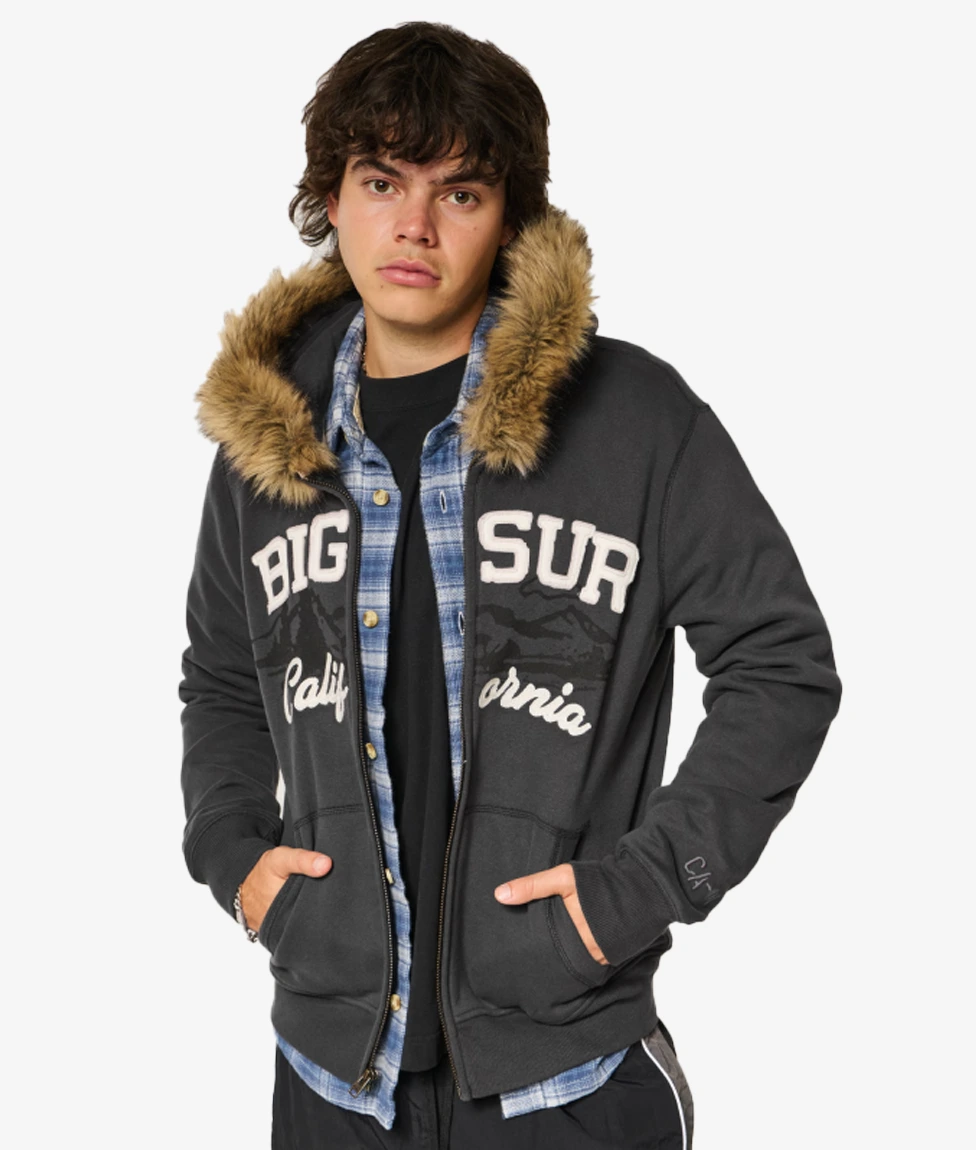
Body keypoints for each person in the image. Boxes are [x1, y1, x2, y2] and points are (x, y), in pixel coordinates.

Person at [179, 20, 842, 1149]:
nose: (414, 226)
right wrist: (235, 856)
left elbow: (780, 666)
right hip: (333, 1079)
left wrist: (641, 887)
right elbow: (223, 677)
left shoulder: (636, 419)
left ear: (509, 217)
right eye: (380, 181)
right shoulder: (268, 438)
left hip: (567, 1080)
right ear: (330, 199)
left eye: (460, 192)